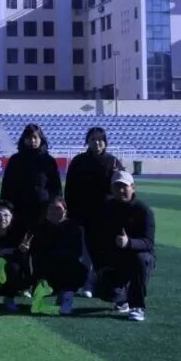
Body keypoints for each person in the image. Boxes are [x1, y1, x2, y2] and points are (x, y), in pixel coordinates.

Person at [64, 127, 123, 297]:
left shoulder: (113, 161)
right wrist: (71, 212)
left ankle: (104, 283)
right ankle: (87, 284)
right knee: (86, 252)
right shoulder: (78, 161)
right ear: (87, 142)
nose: (97, 143)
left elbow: (119, 188)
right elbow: (70, 189)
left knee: (105, 250)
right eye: (93, 140)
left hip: (106, 214)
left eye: (100, 140)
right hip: (83, 214)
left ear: (105, 142)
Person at [97, 171, 155, 322]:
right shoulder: (107, 208)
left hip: (139, 257)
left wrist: (128, 243)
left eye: (124, 186)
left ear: (133, 188)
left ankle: (137, 306)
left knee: (140, 259)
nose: (121, 190)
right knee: (104, 289)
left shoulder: (143, 211)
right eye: (117, 187)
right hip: (116, 258)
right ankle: (122, 298)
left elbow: (148, 243)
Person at [30, 198, 88, 316]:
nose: (54, 212)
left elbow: (76, 252)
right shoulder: (39, 228)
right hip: (45, 270)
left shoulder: (73, 227)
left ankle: (67, 297)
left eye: (58, 209)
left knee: (76, 269)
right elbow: (36, 254)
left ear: (65, 211)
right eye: (51, 208)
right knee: (36, 306)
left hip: (66, 268)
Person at [0, 124, 62, 231]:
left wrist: (56, 207)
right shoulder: (15, 160)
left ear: (41, 139)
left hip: (43, 211)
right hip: (19, 210)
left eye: (35, 137)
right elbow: (6, 186)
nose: (32, 140)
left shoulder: (49, 161)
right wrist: (4, 206)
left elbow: (56, 187)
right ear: (24, 139)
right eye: (29, 137)